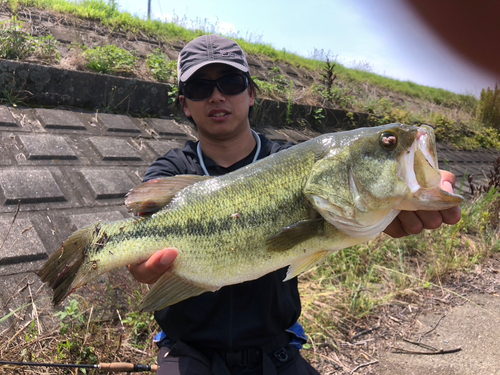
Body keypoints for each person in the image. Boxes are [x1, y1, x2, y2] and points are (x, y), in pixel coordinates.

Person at [129, 34, 462, 375]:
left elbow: (341, 214)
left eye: (230, 82)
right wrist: (140, 267)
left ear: (251, 94)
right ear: (185, 104)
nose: (217, 96)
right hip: (187, 350)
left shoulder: (289, 161)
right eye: (200, 87)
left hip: (275, 348)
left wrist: (391, 207)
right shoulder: (170, 172)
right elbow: (139, 252)